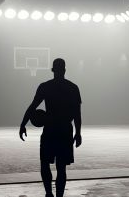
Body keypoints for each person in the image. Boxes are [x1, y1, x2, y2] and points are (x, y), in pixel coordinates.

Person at [19, 58, 82, 197]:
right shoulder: (72, 88)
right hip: (65, 130)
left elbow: (32, 106)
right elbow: (77, 114)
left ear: (52, 70)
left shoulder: (45, 86)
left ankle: (49, 193)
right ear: (64, 70)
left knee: (44, 164)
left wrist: (23, 124)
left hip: (50, 130)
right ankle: (58, 195)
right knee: (61, 167)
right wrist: (78, 133)